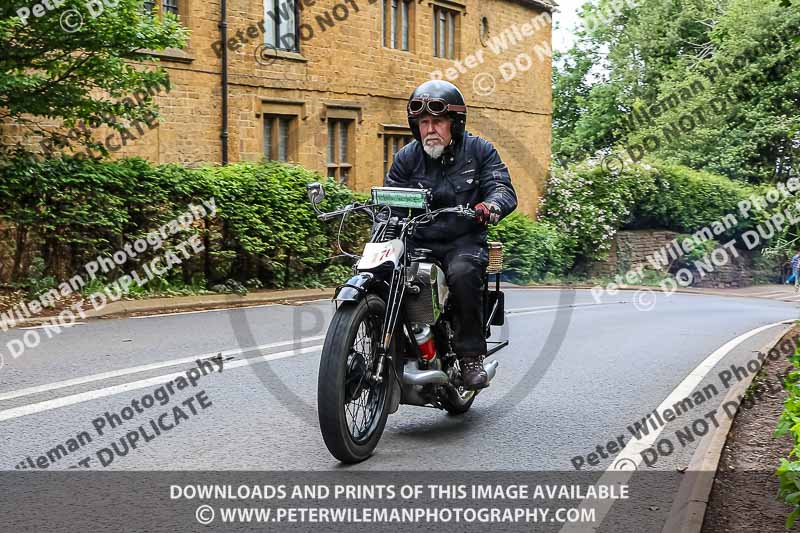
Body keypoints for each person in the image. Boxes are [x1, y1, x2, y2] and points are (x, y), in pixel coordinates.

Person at [384, 80, 517, 389]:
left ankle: (470, 357)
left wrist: (491, 205)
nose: (430, 129)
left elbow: (501, 187)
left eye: (438, 121)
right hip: (419, 240)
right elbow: (390, 199)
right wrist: (386, 224)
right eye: (424, 122)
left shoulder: (479, 151)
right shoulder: (406, 158)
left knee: (462, 272)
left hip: (463, 241)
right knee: (385, 272)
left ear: (454, 124)